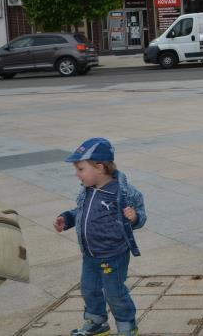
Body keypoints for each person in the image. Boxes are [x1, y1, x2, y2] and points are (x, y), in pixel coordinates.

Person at [54, 138, 147, 336]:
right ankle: (97, 322)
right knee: (89, 289)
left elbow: (139, 211)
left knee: (114, 291)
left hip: (112, 254)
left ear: (99, 167)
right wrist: (67, 218)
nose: (76, 174)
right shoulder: (88, 190)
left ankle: (127, 326)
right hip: (90, 253)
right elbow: (80, 211)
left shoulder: (121, 192)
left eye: (80, 169)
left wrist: (135, 217)